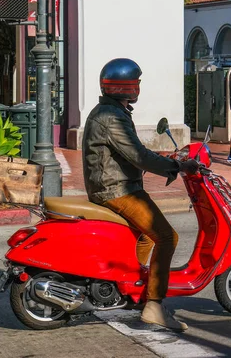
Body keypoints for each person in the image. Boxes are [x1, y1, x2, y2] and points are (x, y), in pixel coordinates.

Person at [82, 58, 198, 331]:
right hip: (118, 190)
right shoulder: (111, 117)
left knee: (145, 235)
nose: (139, 87)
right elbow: (137, 156)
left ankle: (131, 287)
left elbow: (132, 152)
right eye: (137, 82)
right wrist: (176, 166)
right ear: (126, 87)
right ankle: (155, 305)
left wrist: (165, 159)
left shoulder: (111, 111)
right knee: (167, 237)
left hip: (113, 185)